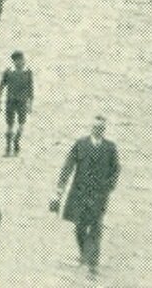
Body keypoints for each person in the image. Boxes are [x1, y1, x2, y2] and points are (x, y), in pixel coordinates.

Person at [54, 116, 119, 275]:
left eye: (101, 128)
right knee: (80, 227)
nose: (98, 130)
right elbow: (68, 166)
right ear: (92, 128)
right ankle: (84, 253)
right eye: (96, 127)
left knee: (96, 228)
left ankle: (93, 264)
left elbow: (115, 169)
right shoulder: (81, 144)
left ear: (104, 130)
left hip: (99, 196)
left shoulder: (110, 148)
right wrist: (60, 188)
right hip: (80, 194)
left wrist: (108, 187)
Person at [0, 52, 33, 156]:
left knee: (21, 125)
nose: (22, 62)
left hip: (22, 102)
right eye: (19, 60)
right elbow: (1, 87)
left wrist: (30, 104)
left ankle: (16, 142)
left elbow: (31, 89)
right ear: (14, 61)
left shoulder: (28, 72)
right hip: (10, 101)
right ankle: (8, 148)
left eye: (22, 59)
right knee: (9, 125)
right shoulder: (8, 72)